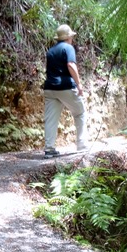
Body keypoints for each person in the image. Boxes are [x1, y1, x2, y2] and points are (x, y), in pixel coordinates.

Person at [42, 24, 87, 157]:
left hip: (50, 88)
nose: (72, 39)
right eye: (71, 36)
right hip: (65, 87)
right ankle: (82, 144)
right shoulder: (68, 48)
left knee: (51, 119)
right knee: (80, 113)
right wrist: (79, 84)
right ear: (68, 37)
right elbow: (71, 65)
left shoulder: (50, 51)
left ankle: (49, 149)